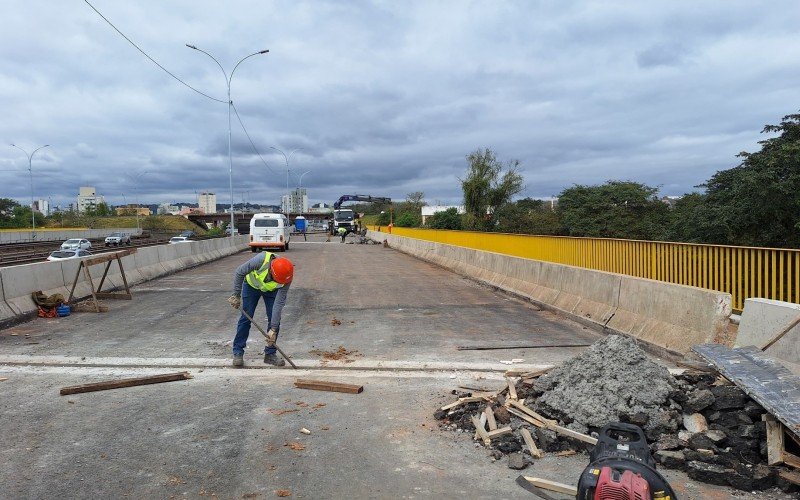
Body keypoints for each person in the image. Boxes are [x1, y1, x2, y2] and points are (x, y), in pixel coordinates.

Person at [227, 252, 294, 367]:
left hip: (272, 291)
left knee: (275, 320)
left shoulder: (287, 276)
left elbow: (279, 304)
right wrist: (236, 295)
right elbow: (239, 272)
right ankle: (238, 352)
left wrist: (273, 329)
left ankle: (270, 354)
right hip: (251, 286)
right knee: (246, 318)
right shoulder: (260, 260)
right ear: (271, 271)